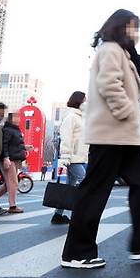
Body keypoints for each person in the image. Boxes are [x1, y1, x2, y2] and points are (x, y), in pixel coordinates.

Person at [61, 9, 140, 269]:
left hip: (124, 135)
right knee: (95, 192)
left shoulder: (121, 52)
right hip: (110, 133)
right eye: (134, 28)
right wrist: (127, 113)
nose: (137, 34)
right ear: (122, 27)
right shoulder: (110, 49)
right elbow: (109, 84)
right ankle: (76, 253)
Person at [51, 91, 88, 225]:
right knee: (85, 182)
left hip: (78, 157)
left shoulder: (80, 117)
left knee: (70, 187)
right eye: (85, 99)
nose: (86, 102)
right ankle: (80, 215)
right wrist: (65, 156)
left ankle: (58, 215)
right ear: (79, 101)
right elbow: (66, 138)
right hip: (72, 158)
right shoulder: (71, 117)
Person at [0, 112, 31, 214]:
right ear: (10, 119)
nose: (19, 119)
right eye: (16, 117)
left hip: (14, 159)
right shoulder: (7, 130)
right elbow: (4, 145)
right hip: (9, 160)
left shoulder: (15, 130)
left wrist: (25, 147)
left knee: (8, 185)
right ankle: (12, 206)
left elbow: (15, 145)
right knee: (13, 183)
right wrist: (6, 158)